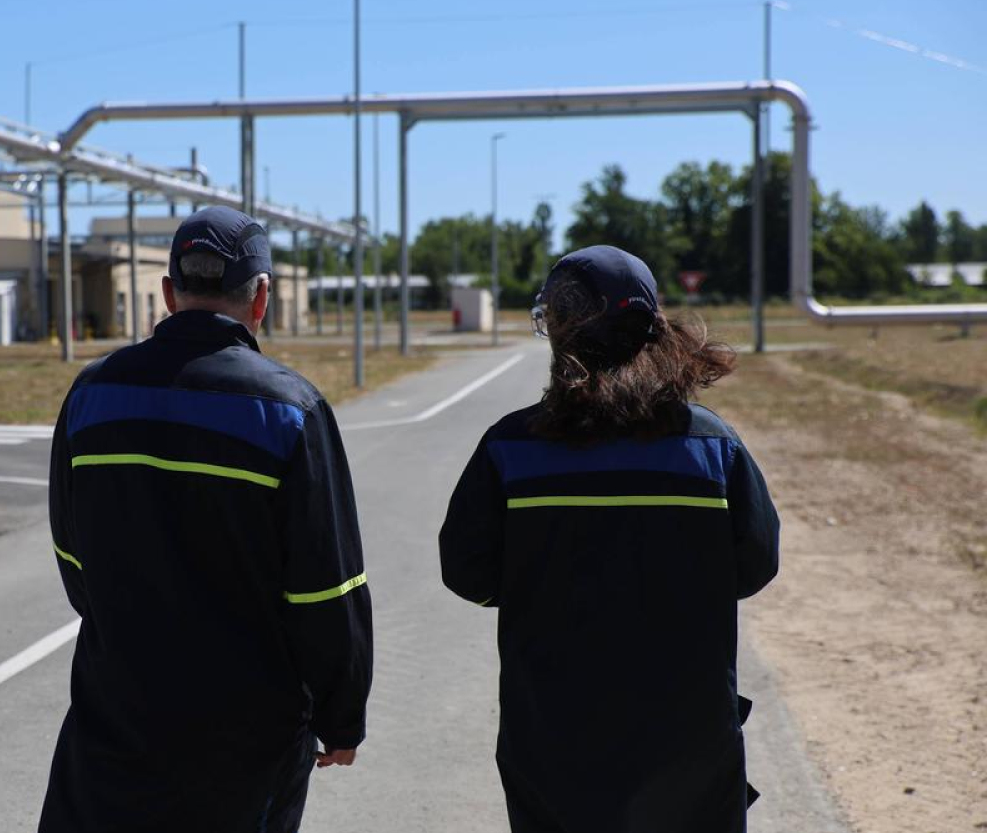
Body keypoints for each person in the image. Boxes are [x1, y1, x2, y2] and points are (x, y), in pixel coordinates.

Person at [40, 206, 373, 833]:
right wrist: (342, 713)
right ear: (262, 296)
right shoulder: (289, 410)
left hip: (115, 716)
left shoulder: (91, 394)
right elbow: (326, 586)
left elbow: (73, 555)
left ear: (170, 293)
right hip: (246, 732)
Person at [438, 245, 780, 833]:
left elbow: (468, 572)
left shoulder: (510, 447)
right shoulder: (711, 447)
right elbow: (755, 565)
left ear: (559, 331)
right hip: (688, 731)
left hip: (552, 731)